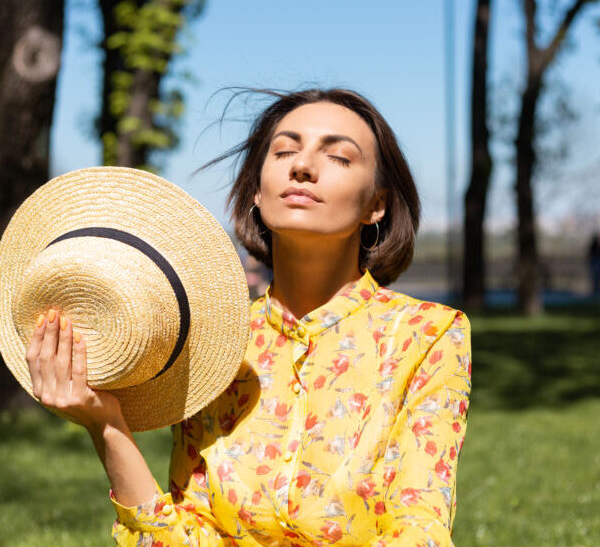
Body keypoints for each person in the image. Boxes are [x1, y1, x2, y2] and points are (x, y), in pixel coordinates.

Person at [26, 88, 472, 546]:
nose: (302, 166)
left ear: (375, 205)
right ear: (257, 191)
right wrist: (107, 426)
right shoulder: (212, 342)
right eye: (284, 151)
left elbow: (420, 532)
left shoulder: (428, 336)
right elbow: (184, 536)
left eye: (338, 156)